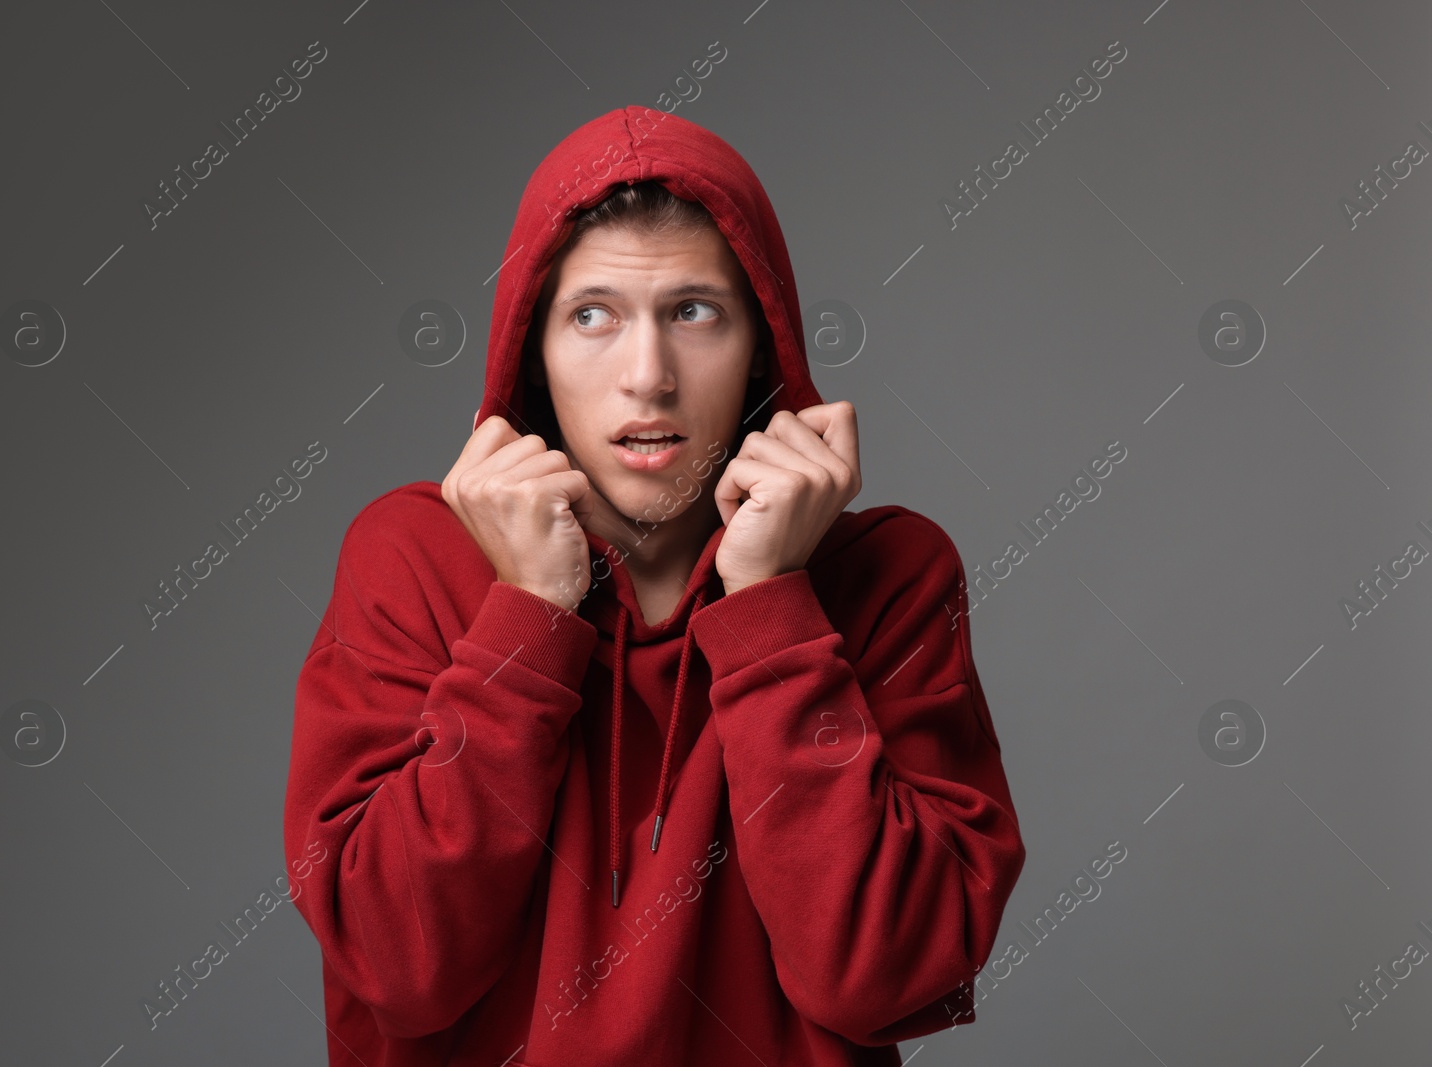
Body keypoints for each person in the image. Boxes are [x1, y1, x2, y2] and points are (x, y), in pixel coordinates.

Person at [283, 105, 1026, 1066]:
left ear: (762, 343)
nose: (648, 376)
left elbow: (887, 973)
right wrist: (529, 620)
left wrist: (770, 608)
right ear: (533, 357)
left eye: (694, 312)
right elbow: (398, 964)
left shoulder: (888, 575)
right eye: (591, 315)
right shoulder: (415, 557)